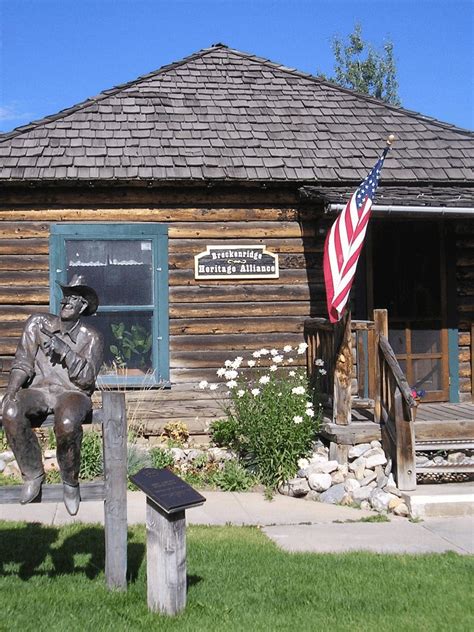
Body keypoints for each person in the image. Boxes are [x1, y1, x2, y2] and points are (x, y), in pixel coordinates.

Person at [2, 275, 103, 515]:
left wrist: (65, 351)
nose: (67, 302)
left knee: (67, 423)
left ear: (83, 306)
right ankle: (33, 473)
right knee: (10, 409)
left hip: (72, 393)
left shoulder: (92, 338)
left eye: (74, 298)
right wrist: (12, 389)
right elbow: (23, 361)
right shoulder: (37, 323)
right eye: (65, 296)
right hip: (39, 390)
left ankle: (70, 481)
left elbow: (87, 379)